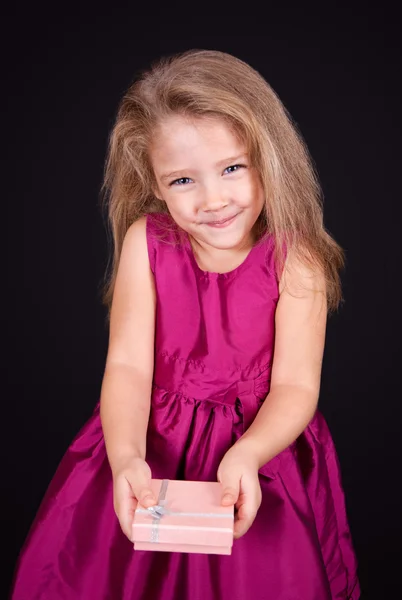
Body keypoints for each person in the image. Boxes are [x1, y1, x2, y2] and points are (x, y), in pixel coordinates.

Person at [11, 49, 360, 599]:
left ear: (266, 158)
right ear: (152, 183)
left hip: (258, 456)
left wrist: (248, 453)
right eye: (182, 181)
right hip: (151, 450)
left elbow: (296, 386)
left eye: (232, 168)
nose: (213, 200)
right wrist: (126, 454)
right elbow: (127, 365)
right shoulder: (146, 244)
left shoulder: (298, 257)